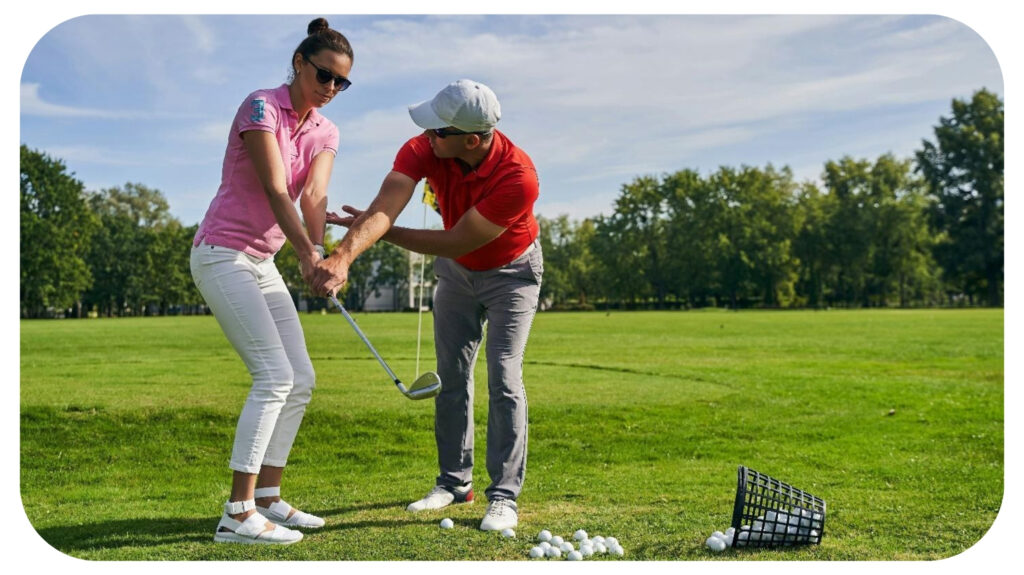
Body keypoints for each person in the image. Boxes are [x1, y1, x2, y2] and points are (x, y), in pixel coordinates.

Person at [313, 79, 542, 532]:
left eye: (439, 131)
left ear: (471, 140)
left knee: (504, 375)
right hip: (455, 274)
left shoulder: (519, 177)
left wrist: (382, 231)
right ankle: (455, 482)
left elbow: (456, 240)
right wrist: (342, 255)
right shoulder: (426, 146)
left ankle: (503, 496)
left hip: (511, 274)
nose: (428, 137)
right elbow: (386, 205)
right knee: (451, 375)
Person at [189, 18, 353, 545]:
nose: (330, 88)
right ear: (300, 63)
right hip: (221, 255)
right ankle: (237, 513)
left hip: (261, 262)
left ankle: (268, 499)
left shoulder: (326, 130)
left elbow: (313, 200)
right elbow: (277, 189)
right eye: (323, 75)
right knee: (273, 377)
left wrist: (324, 258)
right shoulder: (261, 106)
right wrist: (306, 257)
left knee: (300, 378)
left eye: (341, 83)